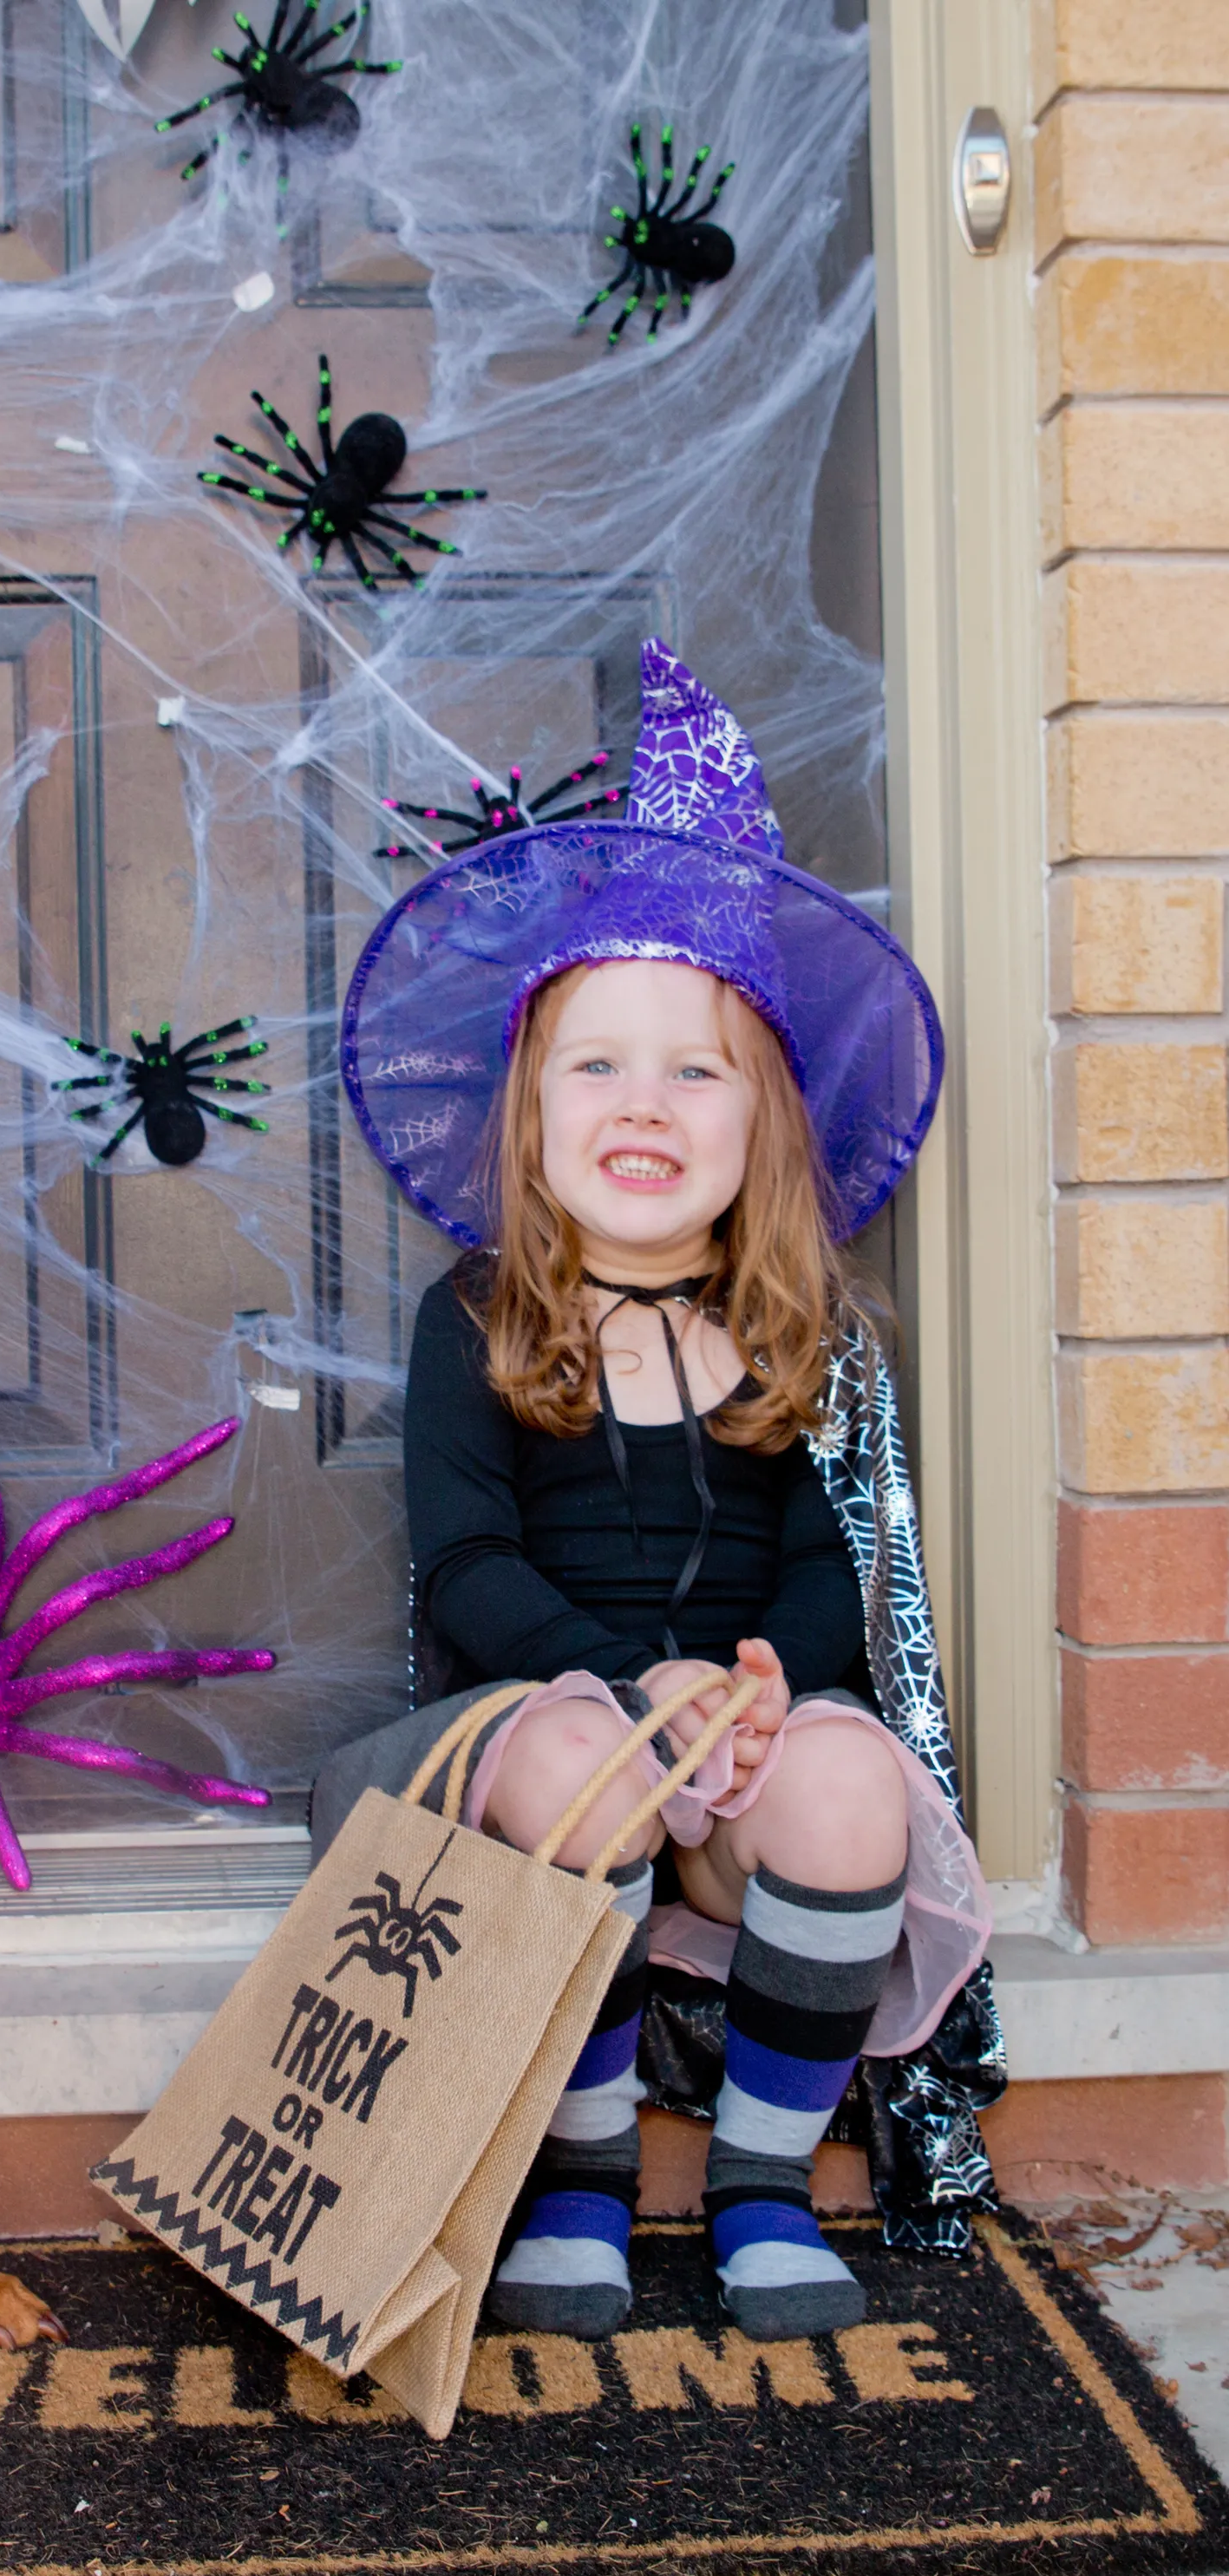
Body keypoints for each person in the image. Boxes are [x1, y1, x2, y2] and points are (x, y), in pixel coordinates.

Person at [323, 639, 998, 2346]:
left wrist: (763, 1692)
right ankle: (582, 2172)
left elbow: (824, 1576)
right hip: (533, 1757)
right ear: (528, 1112)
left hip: (730, 1756)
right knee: (579, 1759)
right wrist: (638, 1698)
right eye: (596, 1066)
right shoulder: (473, 1320)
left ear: (762, 1122)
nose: (644, 1103)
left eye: (694, 1070)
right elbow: (466, 1565)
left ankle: (763, 2184)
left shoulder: (802, 1335)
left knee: (851, 1787)